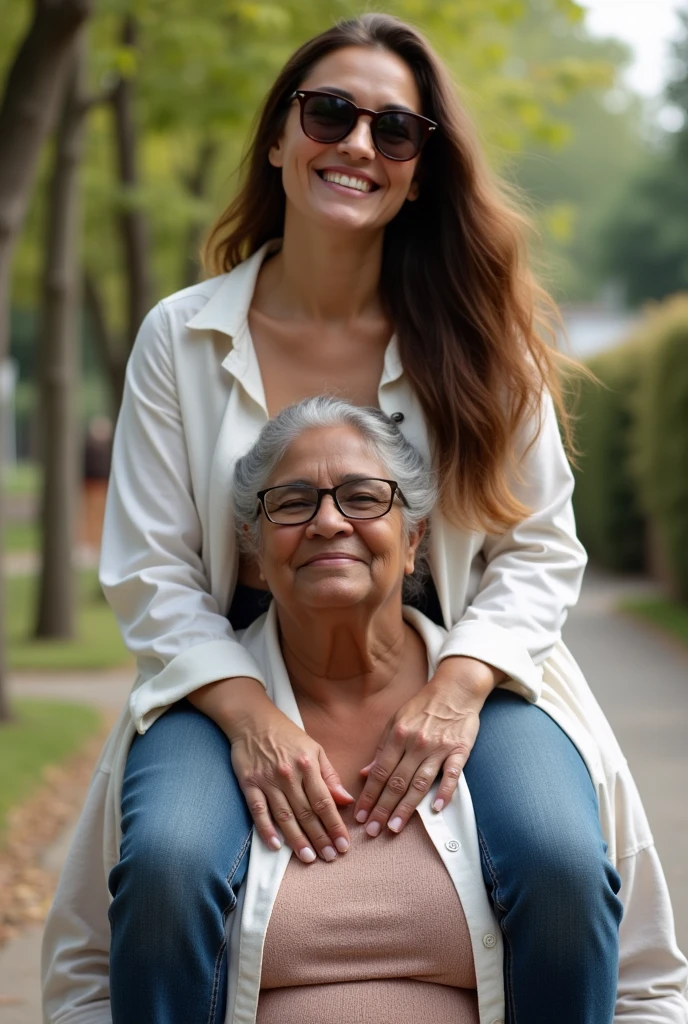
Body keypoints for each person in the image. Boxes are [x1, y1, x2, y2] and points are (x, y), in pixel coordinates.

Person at [44, 11, 665, 1023]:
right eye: (329, 113)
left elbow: (541, 549)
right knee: (162, 865)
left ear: (420, 170)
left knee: (557, 861)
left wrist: (457, 692)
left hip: (470, 659)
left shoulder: (481, 341)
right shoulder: (179, 335)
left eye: (396, 131)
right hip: (234, 666)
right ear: (278, 138)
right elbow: (149, 570)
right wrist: (251, 720)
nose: (358, 146)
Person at [42, 400, 688, 1023]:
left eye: (363, 497)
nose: (328, 522)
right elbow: (84, 981)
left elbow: (647, 987)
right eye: (292, 502)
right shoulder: (176, 731)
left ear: (414, 540)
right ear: (254, 551)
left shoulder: (533, 724)